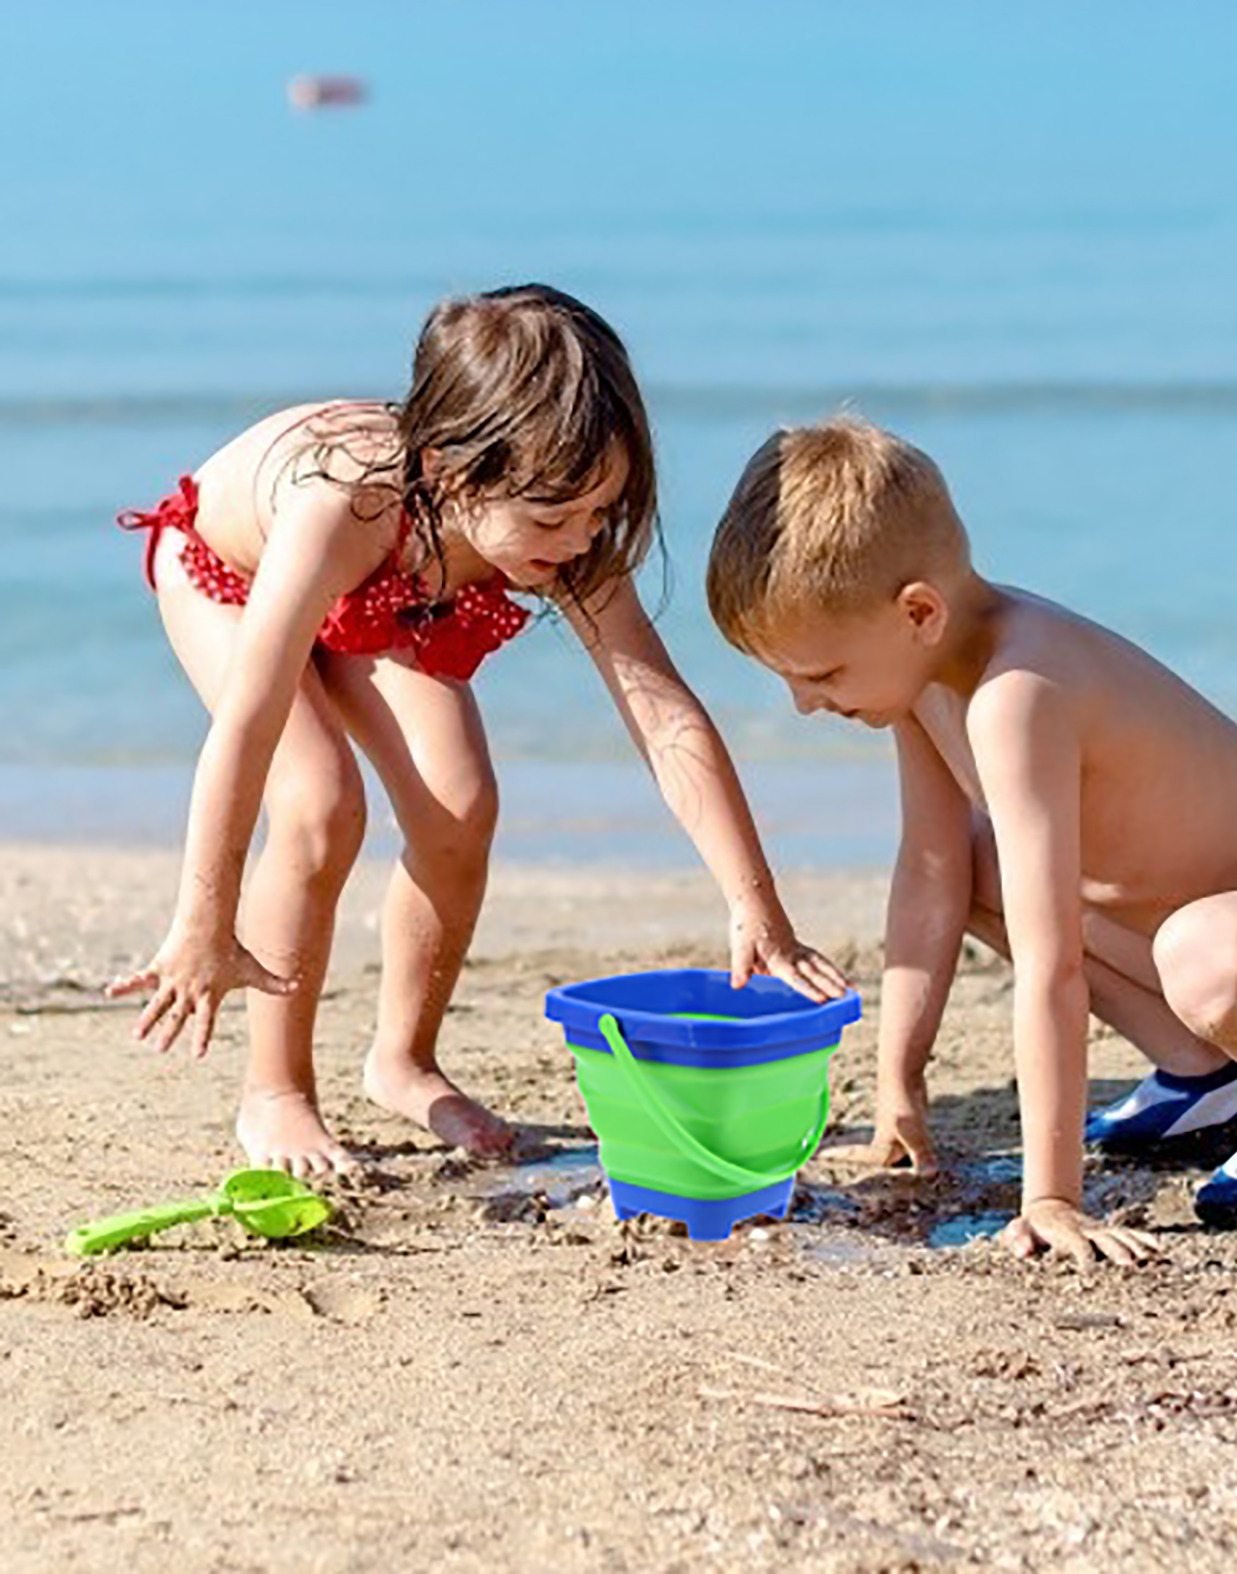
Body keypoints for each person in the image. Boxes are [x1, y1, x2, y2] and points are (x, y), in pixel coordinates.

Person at [110, 284, 846, 1178]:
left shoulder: (562, 521)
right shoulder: (342, 507)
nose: (579, 540)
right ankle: (276, 1090)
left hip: (387, 594)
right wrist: (203, 919)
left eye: (600, 512)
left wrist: (754, 903)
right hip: (230, 576)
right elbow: (248, 722)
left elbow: (662, 713)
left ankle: (403, 1061)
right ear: (455, 472)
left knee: (459, 803)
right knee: (319, 801)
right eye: (553, 519)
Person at [705, 416, 1237, 1263]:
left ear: (918, 611)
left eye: (822, 675)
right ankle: (1206, 1073)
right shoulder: (924, 677)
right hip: (1214, 949)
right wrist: (897, 1085)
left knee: (1203, 953)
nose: (805, 704)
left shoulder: (1020, 692)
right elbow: (932, 874)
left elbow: (1050, 962)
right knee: (981, 862)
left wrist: (1051, 1198)